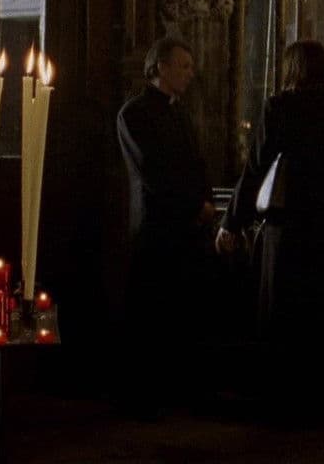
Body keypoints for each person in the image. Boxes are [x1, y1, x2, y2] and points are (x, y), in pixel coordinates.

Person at [217, 40, 324, 417]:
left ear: (292, 69)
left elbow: (256, 168)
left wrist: (232, 221)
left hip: (288, 229)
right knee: (322, 314)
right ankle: (321, 398)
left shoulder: (279, 108)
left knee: (284, 313)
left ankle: (283, 400)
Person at [115, 36, 215, 417]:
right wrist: (194, 205)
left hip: (186, 228)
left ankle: (179, 391)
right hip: (156, 229)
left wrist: (205, 202)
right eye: (183, 66)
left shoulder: (180, 114)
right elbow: (153, 172)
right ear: (160, 67)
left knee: (181, 313)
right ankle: (147, 397)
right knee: (152, 314)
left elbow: (197, 164)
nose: (190, 74)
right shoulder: (134, 114)